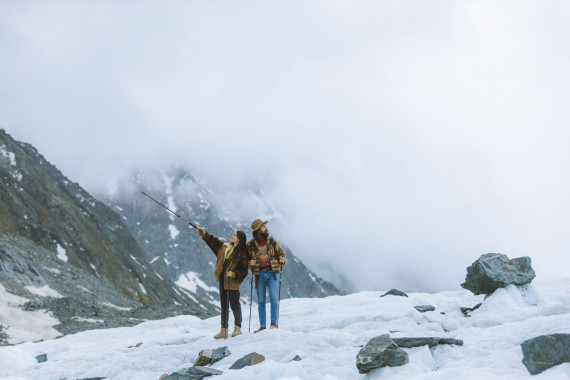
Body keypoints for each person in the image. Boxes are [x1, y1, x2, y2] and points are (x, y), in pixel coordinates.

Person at [197, 227, 250, 339]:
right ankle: (224, 330)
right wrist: (203, 233)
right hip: (222, 278)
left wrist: (234, 274)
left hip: (233, 281)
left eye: (235, 235)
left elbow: (244, 271)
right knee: (224, 305)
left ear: (239, 239)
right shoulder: (225, 246)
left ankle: (237, 328)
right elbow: (213, 242)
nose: (232, 236)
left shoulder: (243, 253)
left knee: (234, 304)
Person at [248, 219, 286, 333]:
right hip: (259, 275)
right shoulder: (250, 245)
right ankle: (263, 326)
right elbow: (245, 260)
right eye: (263, 226)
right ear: (258, 230)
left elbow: (281, 253)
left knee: (274, 298)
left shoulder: (272, 242)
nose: (266, 228)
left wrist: (283, 258)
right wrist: (250, 263)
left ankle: (273, 324)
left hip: (272, 273)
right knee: (261, 301)